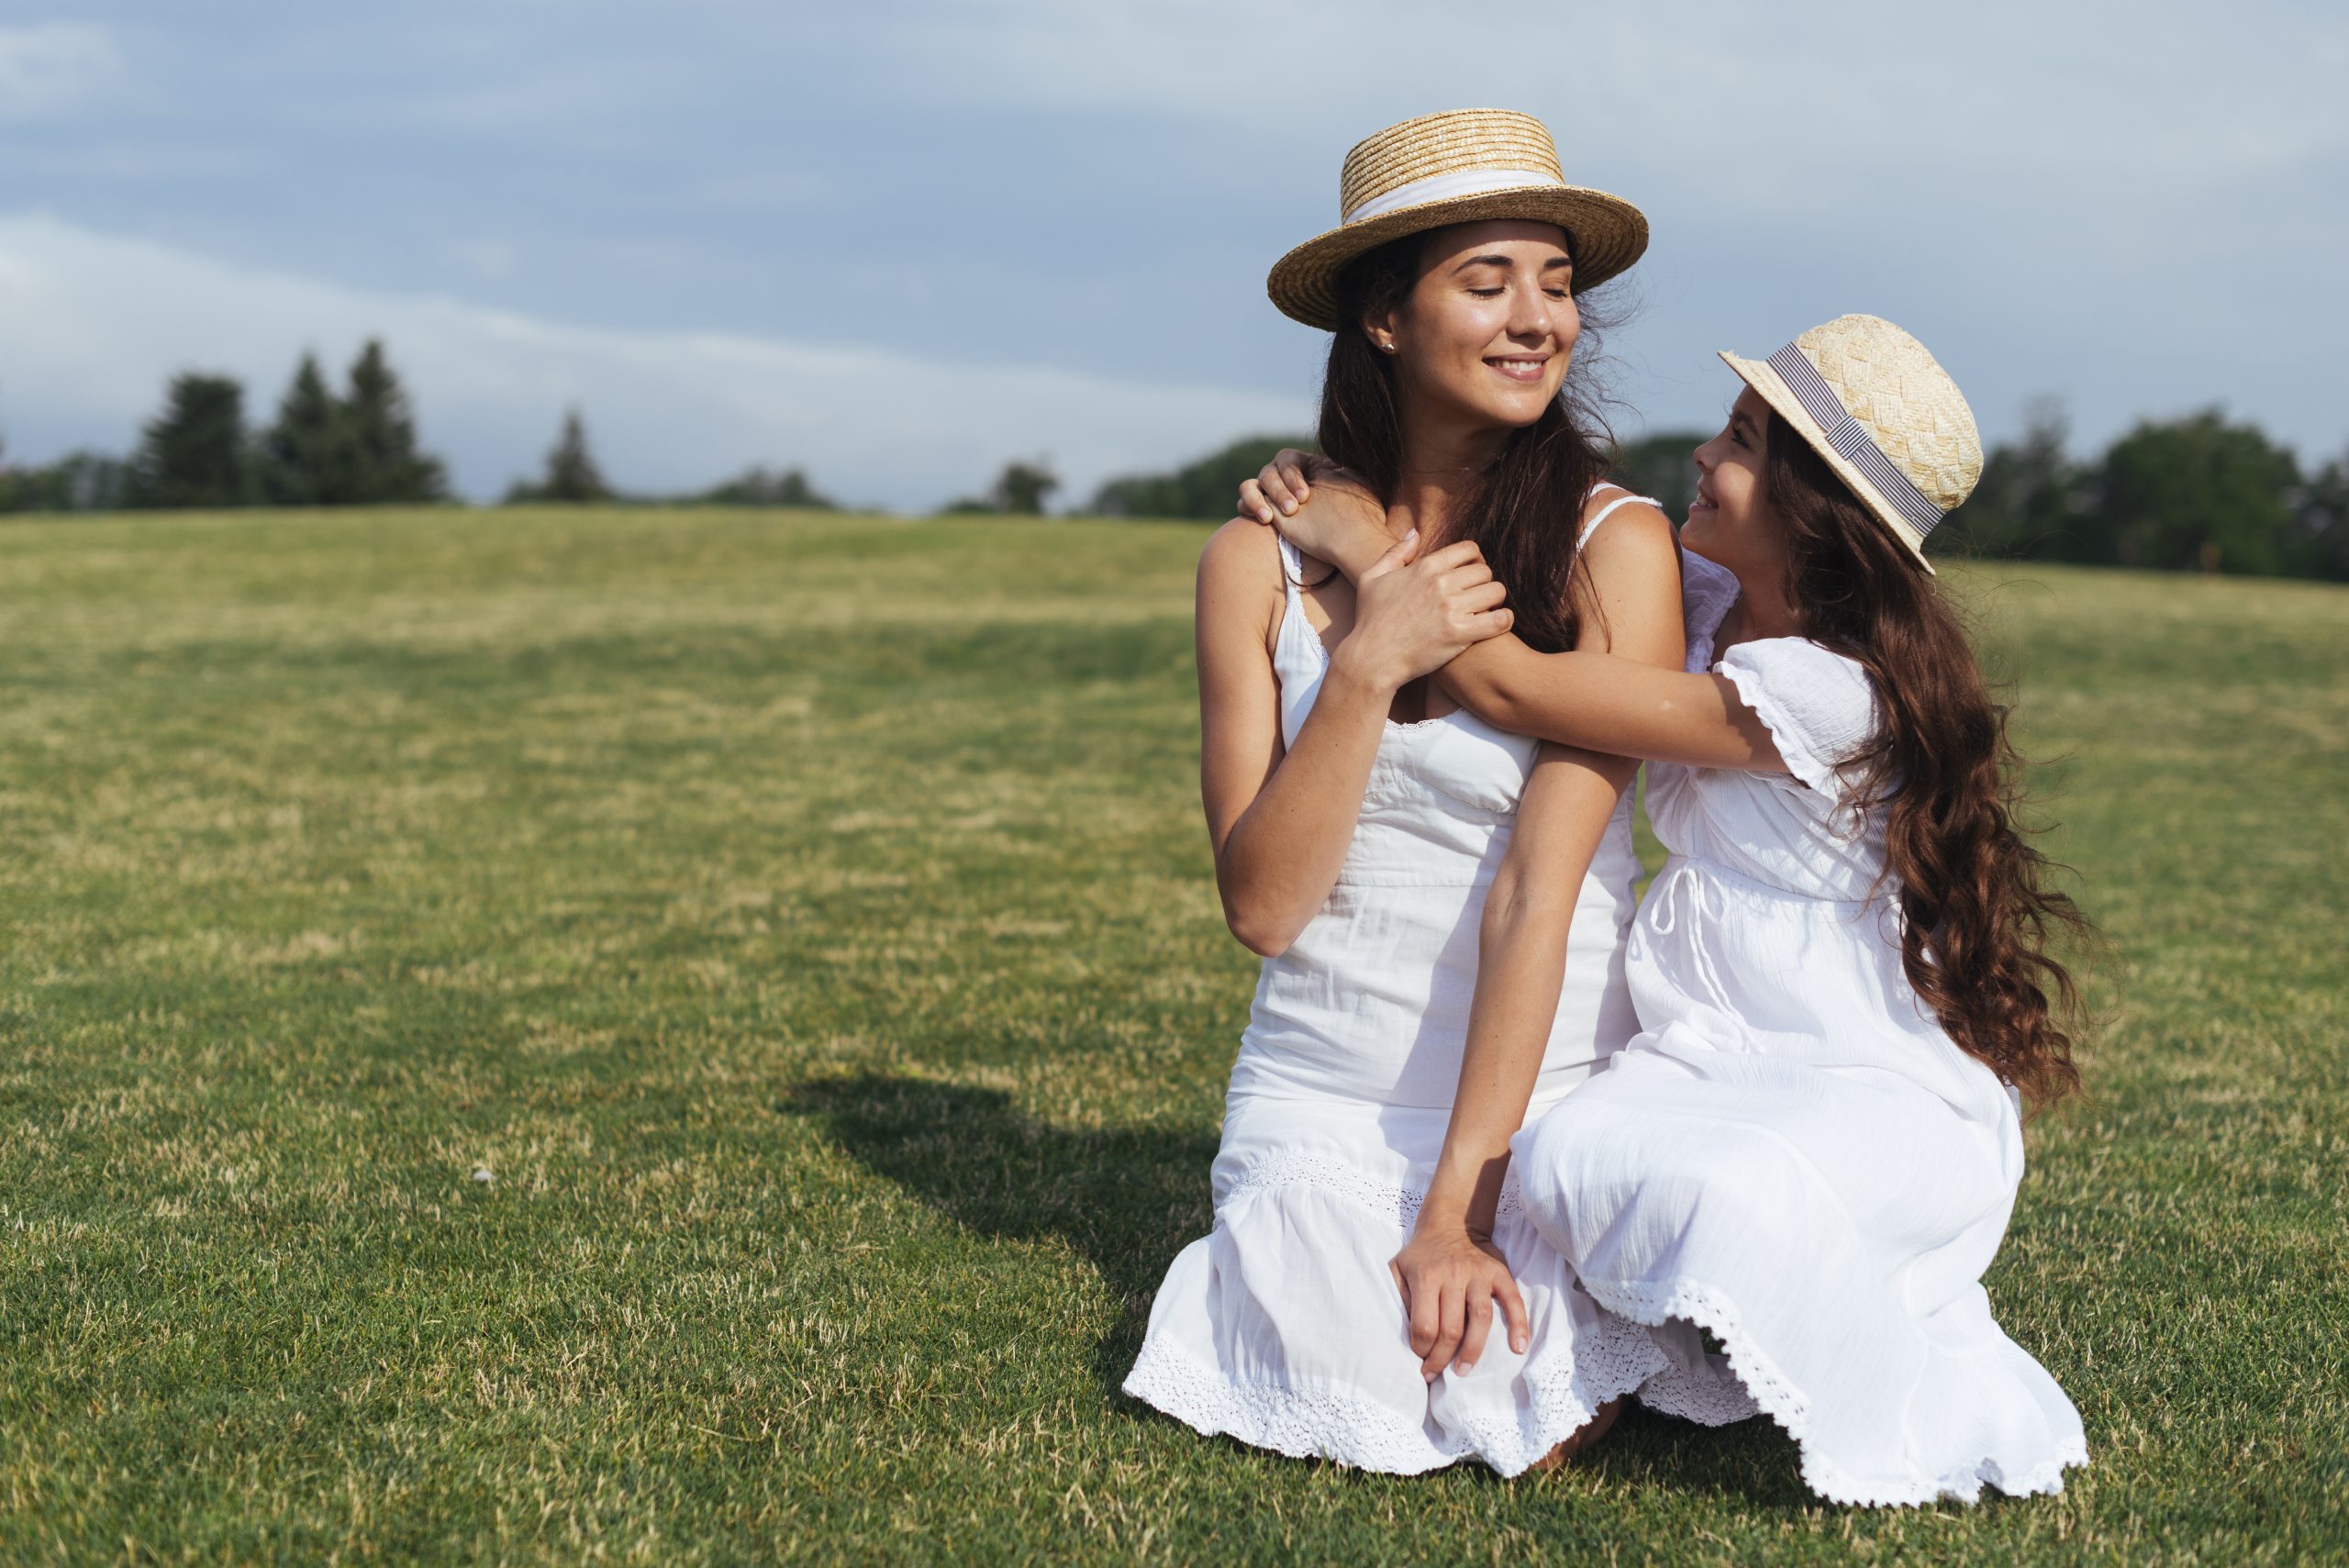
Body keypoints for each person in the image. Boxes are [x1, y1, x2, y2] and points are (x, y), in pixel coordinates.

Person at [1238, 313, 2093, 1504]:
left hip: (1855, 1070)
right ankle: (1637, 1349)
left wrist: (1364, 545)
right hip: (1707, 1043)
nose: (1702, 452)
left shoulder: (1828, 695)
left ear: (1809, 506)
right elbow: (1533, 549)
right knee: (1575, 1156)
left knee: (1701, 1184)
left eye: (1741, 440)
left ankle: (1755, 1335)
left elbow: (1508, 677)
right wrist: (1352, 476)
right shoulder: (1706, 605)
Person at [1121, 108, 1687, 1474]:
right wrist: (1370, 657)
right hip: (1324, 1082)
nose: (1537, 318)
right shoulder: (1253, 565)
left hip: (1542, 1080)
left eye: (1557, 285)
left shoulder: (1617, 546)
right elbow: (1263, 906)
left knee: (1505, 1404)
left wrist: (1459, 1207)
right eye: (1488, 280)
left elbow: (1537, 894)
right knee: (1350, 1370)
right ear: (1384, 314)